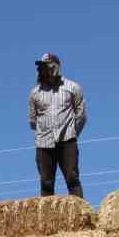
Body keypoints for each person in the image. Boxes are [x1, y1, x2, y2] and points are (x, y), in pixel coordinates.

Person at [27, 53, 87, 198]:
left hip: (67, 141)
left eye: (46, 66)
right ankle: (46, 218)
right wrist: (44, 131)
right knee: (46, 183)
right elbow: (32, 121)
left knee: (72, 178)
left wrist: (72, 133)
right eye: (41, 67)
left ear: (55, 67)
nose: (43, 70)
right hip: (44, 144)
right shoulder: (35, 93)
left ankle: (79, 213)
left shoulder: (72, 87)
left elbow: (81, 114)